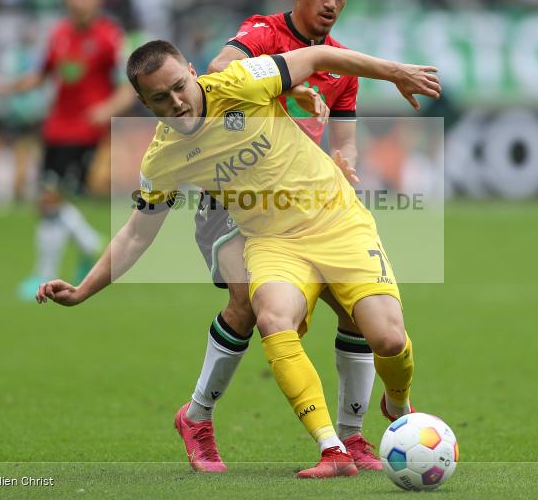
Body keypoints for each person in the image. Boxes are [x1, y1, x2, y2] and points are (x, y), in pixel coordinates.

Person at [36, 40, 441, 478]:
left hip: (337, 221)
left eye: (179, 87)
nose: (176, 102)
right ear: (142, 103)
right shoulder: (162, 159)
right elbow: (136, 234)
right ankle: (333, 450)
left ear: (192, 72)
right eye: (159, 98)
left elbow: (320, 58)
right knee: (266, 314)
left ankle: (395, 405)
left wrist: (395, 71)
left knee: (388, 339)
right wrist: (83, 291)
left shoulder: (241, 82)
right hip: (271, 241)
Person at [177, 0, 381, 473]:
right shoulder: (261, 34)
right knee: (248, 305)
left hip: (302, 205)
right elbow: (218, 75)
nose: (331, 2)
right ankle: (196, 417)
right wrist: (283, 93)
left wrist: (346, 162)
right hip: (232, 201)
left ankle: (354, 438)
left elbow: (344, 138)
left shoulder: (341, 67)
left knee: (355, 305)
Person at [0, 0, 136, 299]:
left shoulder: (109, 37)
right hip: (56, 128)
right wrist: (8, 86)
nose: (76, 1)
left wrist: (107, 108)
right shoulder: (59, 35)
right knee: (48, 200)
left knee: (50, 199)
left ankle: (44, 274)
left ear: (97, 0)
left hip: (86, 131)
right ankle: (86, 244)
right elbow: (41, 76)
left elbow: (129, 87)